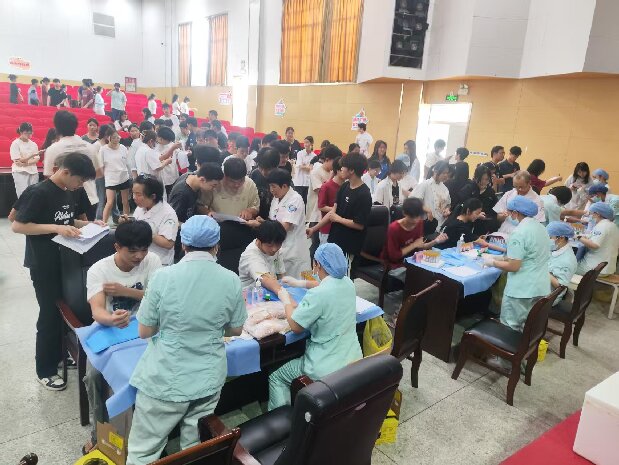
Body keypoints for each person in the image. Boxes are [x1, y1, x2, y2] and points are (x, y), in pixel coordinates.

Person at [127, 215, 247, 465]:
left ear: (183, 245)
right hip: (208, 378)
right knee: (194, 449)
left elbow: (144, 331)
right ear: (216, 246)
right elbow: (236, 330)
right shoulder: (231, 279)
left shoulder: (163, 277)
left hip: (166, 379)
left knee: (144, 451)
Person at [12, 152, 97, 390]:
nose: (80, 185)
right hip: (43, 263)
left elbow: (68, 221)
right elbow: (17, 224)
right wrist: (56, 228)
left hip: (65, 260)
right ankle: (45, 369)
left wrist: (89, 224)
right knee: (49, 313)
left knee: (66, 310)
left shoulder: (70, 191)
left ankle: (59, 354)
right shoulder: (39, 192)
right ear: (65, 172)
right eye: (79, 180)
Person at [82, 220, 162, 454]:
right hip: (109, 329)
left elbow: (159, 297)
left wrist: (126, 291)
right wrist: (111, 319)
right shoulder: (99, 269)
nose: (140, 256)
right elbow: (97, 311)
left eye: (144, 249)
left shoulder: (153, 261)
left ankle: (152, 432)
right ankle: (99, 433)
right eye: (133, 250)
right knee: (94, 376)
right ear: (117, 247)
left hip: (145, 327)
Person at [267, 243, 363, 409]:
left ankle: (283, 421)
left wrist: (286, 300)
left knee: (276, 377)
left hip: (324, 368)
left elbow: (295, 326)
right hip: (352, 361)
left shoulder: (318, 295)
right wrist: (299, 283)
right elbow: (327, 286)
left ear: (317, 264)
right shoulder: (348, 283)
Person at [484, 196, 550, 334]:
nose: (509, 215)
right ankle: (522, 348)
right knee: (528, 327)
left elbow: (514, 266)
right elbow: (529, 254)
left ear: (515, 213)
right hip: (540, 287)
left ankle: (506, 349)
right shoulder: (541, 228)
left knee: (509, 328)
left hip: (521, 290)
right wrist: (502, 258)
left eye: (510, 212)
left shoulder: (519, 232)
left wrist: (492, 262)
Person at [309, 153, 373, 264]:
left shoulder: (364, 194)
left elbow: (359, 225)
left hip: (349, 246)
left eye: (343, 166)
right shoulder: (344, 186)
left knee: (344, 273)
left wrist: (338, 219)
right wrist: (313, 229)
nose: (341, 169)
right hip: (334, 240)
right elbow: (332, 214)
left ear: (351, 170)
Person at [43, 111, 102, 220]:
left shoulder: (53, 149)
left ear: (57, 127)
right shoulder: (89, 147)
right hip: (90, 197)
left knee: (65, 229)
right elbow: (98, 173)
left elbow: (49, 178)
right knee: (89, 229)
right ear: (76, 126)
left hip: (62, 200)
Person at [382, 197, 448, 278]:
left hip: (413, 261)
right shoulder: (394, 228)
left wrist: (436, 241)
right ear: (404, 213)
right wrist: (413, 245)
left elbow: (420, 246)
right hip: (395, 266)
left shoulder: (419, 223)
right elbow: (394, 256)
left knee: (437, 274)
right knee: (421, 278)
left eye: (418, 216)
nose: (415, 220)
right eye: (412, 217)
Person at [262, 169, 310, 278]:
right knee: (283, 282)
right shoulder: (276, 198)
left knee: (301, 283)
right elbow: (274, 221)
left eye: (273, 186)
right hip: (280, 249)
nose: (271, 190)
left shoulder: (295, 199)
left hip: (294, 252)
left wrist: (262, 227)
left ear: (284, 186)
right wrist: (263, 223)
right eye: (270, 186)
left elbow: (284, 227)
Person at [131, 175, 178, 266]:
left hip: (160, 262)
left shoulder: (168, 214)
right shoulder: (140, 207)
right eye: (133, 193)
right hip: (140, 257)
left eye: (138, 194)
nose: (134, 197)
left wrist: (145, 231)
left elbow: (168, 243)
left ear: (153, 196)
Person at [306, 145, 340, 259]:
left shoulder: (333, 173)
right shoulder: (316, 172)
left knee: (327, 246)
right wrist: (331, 178)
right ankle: (314, 267)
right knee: (316, 245)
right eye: (335, 162)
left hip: (329, 215)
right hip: (316, 215)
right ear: (327, 159)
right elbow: (320, 191)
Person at [239, 220, 287, 289]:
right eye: (270, 245)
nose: (274, 249)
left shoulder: (277, 249)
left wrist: (285, 286)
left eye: (278, 244)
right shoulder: (250, 256)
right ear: (259, 240)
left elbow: (280, 275)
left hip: (271, 289)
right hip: (251, 293)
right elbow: (267, 280)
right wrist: (283, 293)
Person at [575, 202, 619, 276]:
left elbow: (594, 245)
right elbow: (596, 237)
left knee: (568, 268)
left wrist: (578, 237)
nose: (590, 216)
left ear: (597, 214)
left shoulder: (602, 226)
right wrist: (584, 236)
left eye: (591, 213)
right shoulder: (613, 226)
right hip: (608, 268)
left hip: (594, 268)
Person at [101, 130, 131, 223]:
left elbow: (127, 162)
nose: (116, 139)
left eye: (118, 137)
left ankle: (126, 221)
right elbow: (101, 165)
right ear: (108, 138)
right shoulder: (103, 149)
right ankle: (103, 223)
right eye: (114, 137)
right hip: (111, 179)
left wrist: (130, 175)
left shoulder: (123, 148)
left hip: (123, 177)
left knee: (125, 201)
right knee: (109, 202)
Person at [412, 160, 451, 230]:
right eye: (443, 173)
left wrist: (447, 210)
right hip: (426, 222)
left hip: (441, 222)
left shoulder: (445, 188)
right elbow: (413, 201)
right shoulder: (425, 184)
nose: (446, 175)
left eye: (447, 173)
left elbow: (448, 204)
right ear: (435, 171)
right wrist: (428, 210)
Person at [546, 221, 577, 306]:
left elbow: (560, 286)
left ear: (561, 238)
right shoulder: (557, 249)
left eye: (549, 237)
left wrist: (542, 270)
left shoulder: (567, 260)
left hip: (548, 298)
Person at [317, 157, 346, 245]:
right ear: (338, 170)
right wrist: (337, 209)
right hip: (327, 229)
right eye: (344, 169)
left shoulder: (347, 186)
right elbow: (321, 206)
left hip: (342, 228)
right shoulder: (326, 186)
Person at [10, 122, 42, 197]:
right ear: (21, 132)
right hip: (20, 171)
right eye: (26, 133)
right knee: (23, 195)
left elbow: (36, 159)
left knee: (33, 195)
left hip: (33, 171)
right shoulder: (15, 143)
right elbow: (18, 161)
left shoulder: (33, 144)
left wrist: (26, 163)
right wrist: (32, 155)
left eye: (30, 133)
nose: (29, 135)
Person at [250, 147, 281, 220]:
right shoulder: (255, 174)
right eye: (261, 167)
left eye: (268, 169)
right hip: (255, 218)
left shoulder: (282, 178)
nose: (264, 172)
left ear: (277, 166)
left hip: (274, 221)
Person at [155, 127, 181, 195]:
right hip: (164, 176)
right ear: (160, 139)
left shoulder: (170, 143)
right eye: (168, 140)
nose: (170, 142)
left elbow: (178, 152)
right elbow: (160, 158)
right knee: (167, 193)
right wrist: (172, 148)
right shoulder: (155, 147)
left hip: (173, 173)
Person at [293, 136, 314, 205]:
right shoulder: (300, 153)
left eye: (307, 142)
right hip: (299, 182)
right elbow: (300, 166)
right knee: (298, 202)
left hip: (308, 183)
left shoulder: (314, 156)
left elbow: (312, 168)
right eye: (304, 143)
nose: (305, 144)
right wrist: (308, 167)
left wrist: (305, 166)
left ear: (312, 143)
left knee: (306, 203)